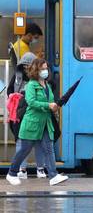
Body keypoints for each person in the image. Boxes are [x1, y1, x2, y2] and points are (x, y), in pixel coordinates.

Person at [5, 58, 68, 186]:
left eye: (46, 68)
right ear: (36, 70)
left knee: (49, 148)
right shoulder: (31, 85)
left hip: (45, 123)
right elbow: (31, 102)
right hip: (32, 123)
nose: (45, 71)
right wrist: (48, 105)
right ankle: (11, 173)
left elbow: (50, 101)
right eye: (42, 69)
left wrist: (54, 107)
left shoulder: (47, 85)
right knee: (25, 149)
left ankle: (53, 175)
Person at [6, 52, 46, 179]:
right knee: (33, 141)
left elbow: (9, 91)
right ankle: (37, 169)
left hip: (20, 113)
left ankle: (23, 170)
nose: (26, 68)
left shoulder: (18, 76)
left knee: (23, 141)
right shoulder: (38, 79)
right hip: (28, 113)